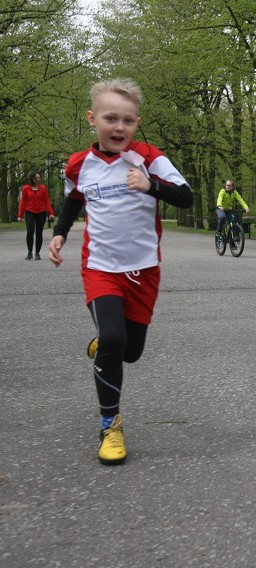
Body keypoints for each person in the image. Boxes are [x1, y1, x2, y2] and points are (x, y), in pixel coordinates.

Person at [48, 78, 193, 465]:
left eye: (127, 121)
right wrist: (60, 235)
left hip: (144, 270)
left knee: (131, 352)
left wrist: (150, 186)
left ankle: (105, 345)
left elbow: (186, 195)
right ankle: (110, 424)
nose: (119, 128)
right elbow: (72, 202)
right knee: (113, 339)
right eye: (110, 118)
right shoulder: (78, 164)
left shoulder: (149, 157)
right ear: (92, 119)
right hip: (100, 268)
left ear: (136, 123)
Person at [18, 172, 55, 260]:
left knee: (39, 233)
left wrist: (51, 213)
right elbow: (23, 202)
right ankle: (29, 252)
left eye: (39, 177)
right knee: (30, 231)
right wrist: (20, 215)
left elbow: (47, 202)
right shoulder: (26, 188)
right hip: (29, 212)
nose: (38, 179)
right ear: (32, 178)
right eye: (37, 178)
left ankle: (37, 253)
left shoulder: (43, 188)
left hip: (41, 213)